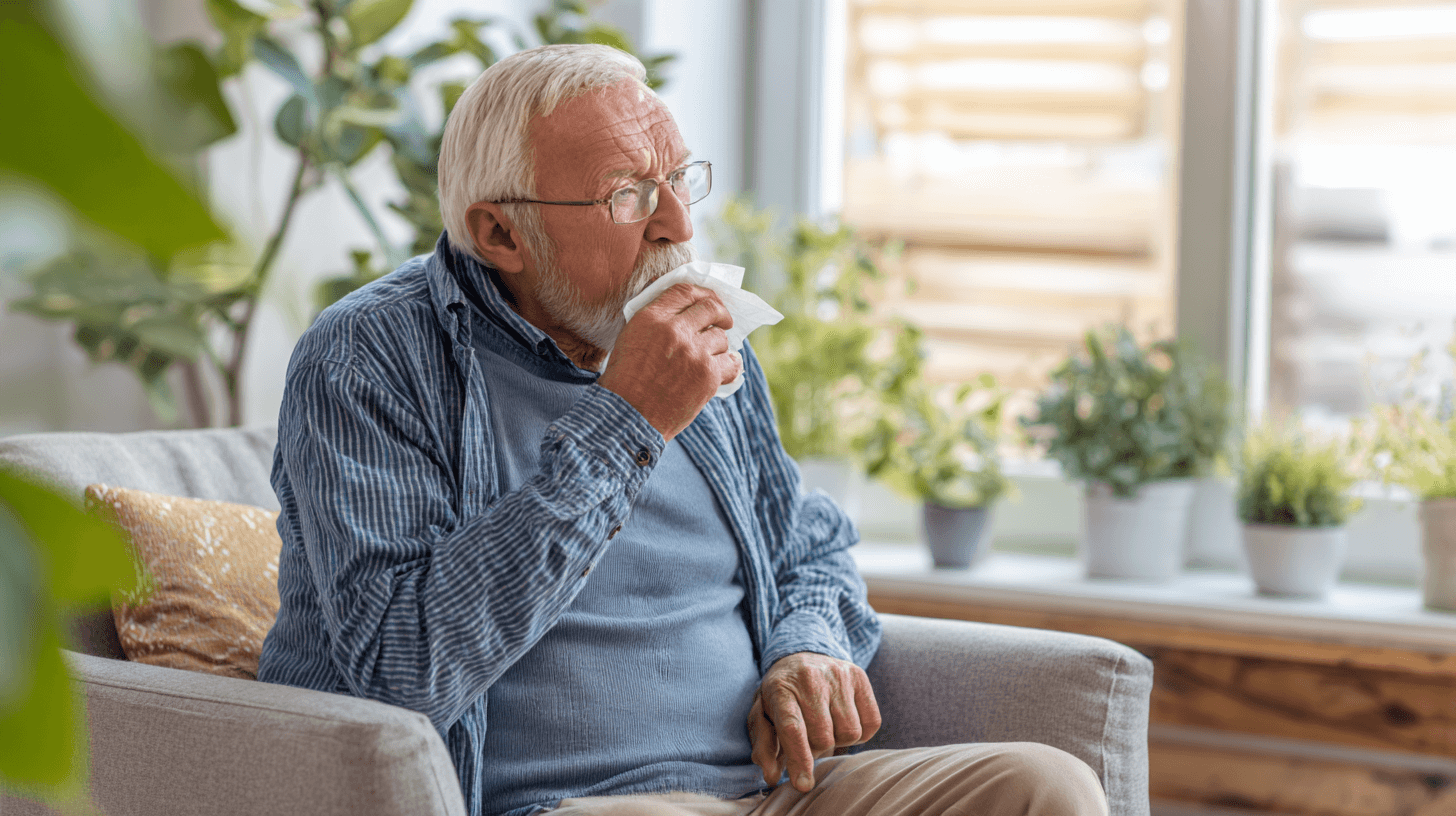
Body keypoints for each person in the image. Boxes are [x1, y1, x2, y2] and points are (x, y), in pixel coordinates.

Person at [257, 43, 1108, 816]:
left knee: (1047, 787)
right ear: (500, 232)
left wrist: (803, 648)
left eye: (678, 178)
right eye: (628, 195)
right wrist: (628, 418)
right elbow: (404, 665)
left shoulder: (699, 328)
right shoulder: (367, 357)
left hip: (778, 791)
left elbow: (806, 546)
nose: (679, 225)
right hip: (575, 807)